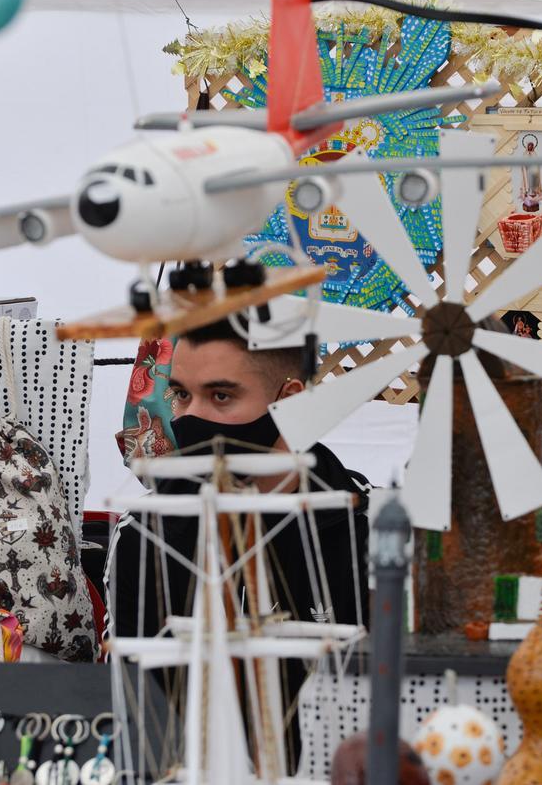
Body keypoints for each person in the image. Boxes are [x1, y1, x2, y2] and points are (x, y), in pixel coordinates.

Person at [107, 317, 371, 763]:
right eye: (181, 394)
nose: (189, 416)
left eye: (221, 395)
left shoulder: (366, 534)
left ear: (289, 401)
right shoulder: (145, 532)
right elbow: (134, 703)